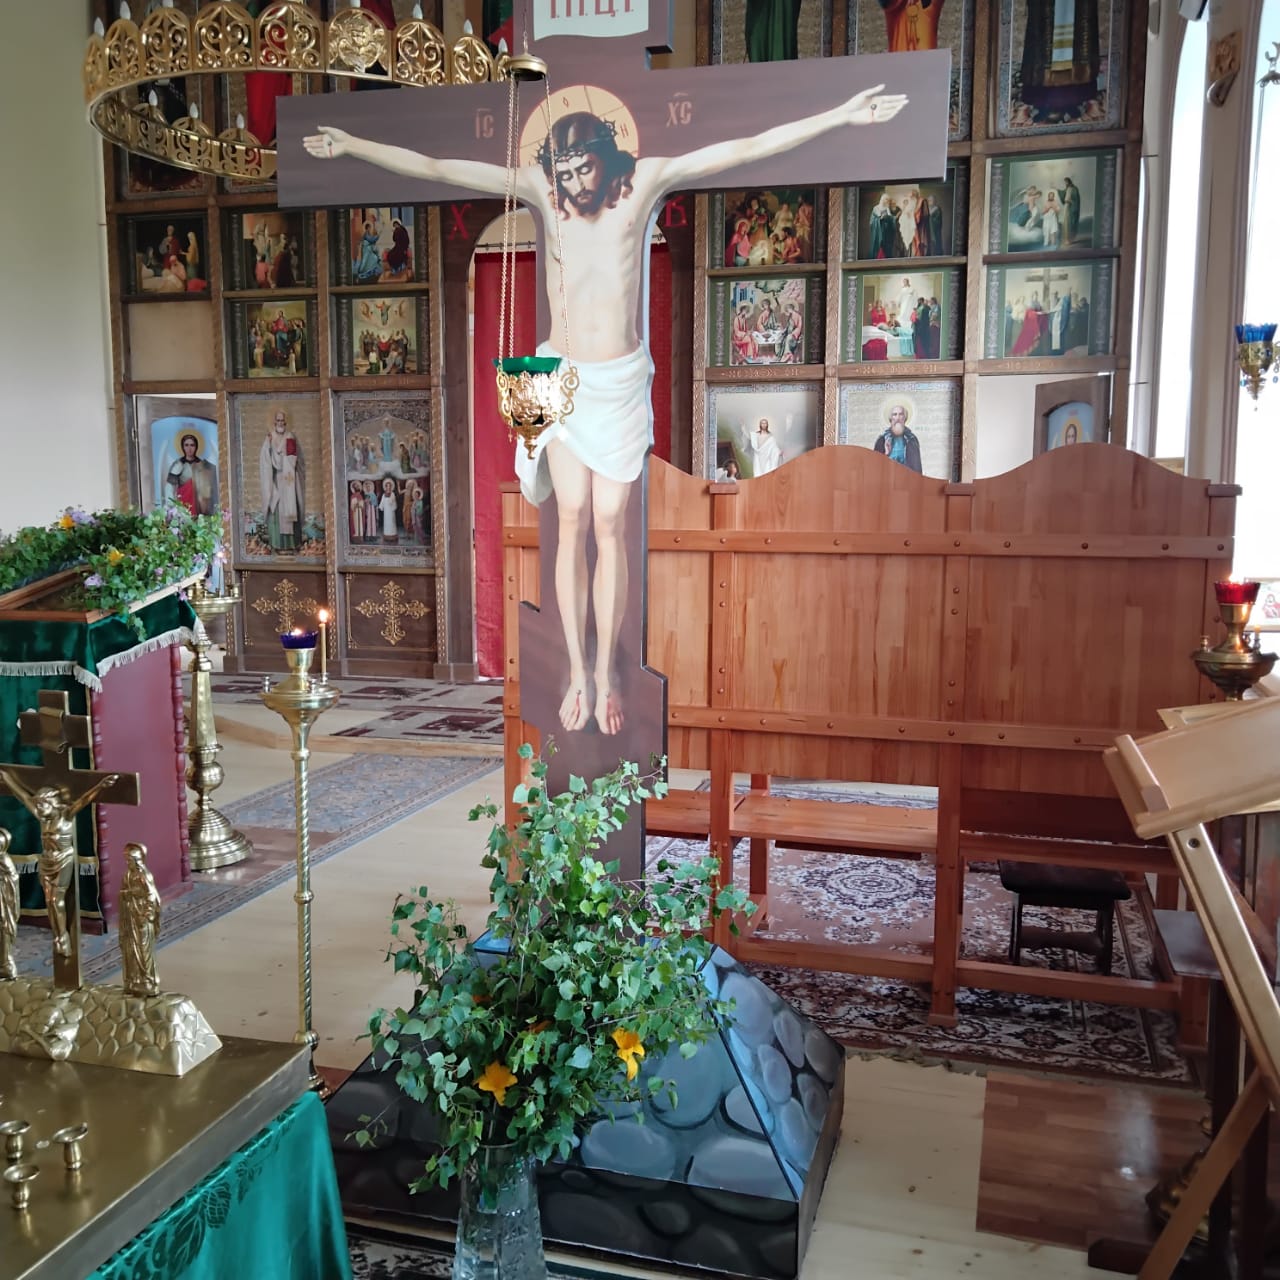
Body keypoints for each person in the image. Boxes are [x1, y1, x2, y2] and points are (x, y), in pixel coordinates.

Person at [305, 80, 907, 735]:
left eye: (582, 170)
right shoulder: (540, 190)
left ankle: (608, 670)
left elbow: (742, 148)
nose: (572, 184)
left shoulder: (644, 182)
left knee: (611, 522)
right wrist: (352, 144)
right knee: (570, 517)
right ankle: (577, 671)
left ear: (605, 155)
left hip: (618, 381)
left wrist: (842, 113)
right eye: (562, 174)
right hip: (560, 378)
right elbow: (440, 167)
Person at [0, 769, 120, 960]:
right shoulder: (42, 817)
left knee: (56, 900)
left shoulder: (65, 815)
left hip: (62, 859)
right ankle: (59, 934)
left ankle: (61, 936)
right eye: (38, 805)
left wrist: (100, 786)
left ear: (52, 803)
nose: (39, 809)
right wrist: (7, 779)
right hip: (46, 860)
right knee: (50, 901)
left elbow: (84, 800)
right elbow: (23, 796)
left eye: (42, 805)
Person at [259, 410, 304, 552]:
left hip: (289, 479)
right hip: (277, 479)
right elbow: (265, 460)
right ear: (274, 422)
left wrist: (287, 461)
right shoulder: (269, 438)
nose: (280, 423)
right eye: (278, 420)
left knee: (290, 507)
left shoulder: (290, 437)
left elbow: (294, 458)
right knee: (277, 508)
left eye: (282, 420)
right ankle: (277, 544)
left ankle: (292, 544)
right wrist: (269, 448)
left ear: (285, 422)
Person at [120, 843, 161, 998]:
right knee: (131, 948)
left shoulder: (143, 875)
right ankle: (135, 979)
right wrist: (126, 895)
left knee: (144, 951)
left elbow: (152, 896)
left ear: (137, 860)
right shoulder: (127, 875)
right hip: (131, 915)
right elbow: (124, 892)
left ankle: (148, 979)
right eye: (126, 860)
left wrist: (147, 915)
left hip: (141, 917)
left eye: (129, 860)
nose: (127, 863)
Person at [166, 431, 218, 517]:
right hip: (184, 504)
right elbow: (170, 487)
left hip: (200, 505)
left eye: (192, 445)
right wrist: (171, 505)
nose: (189, 448)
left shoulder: (203, 465)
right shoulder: (178, 465)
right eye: (186, 445)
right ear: (183, 447)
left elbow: (210, 488)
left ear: (196, 447)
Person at [873, 401, 923, 473]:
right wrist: (886, 454)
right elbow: (875, 467)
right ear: (890, 418)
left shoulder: (911, 439)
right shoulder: (882, 440)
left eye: (901, 414)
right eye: (894, 414)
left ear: (905, 418)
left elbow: (917, 468)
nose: (898, 418)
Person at [0, 830, 17, 981]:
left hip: (3, 904)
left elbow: (11, 881)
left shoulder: (4, 862)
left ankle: (5, 964)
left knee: (4, 928)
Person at [354, 218, 382, 283]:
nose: (370, 229)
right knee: (370, 260)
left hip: (369, 250)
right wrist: (377, 236)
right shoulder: (366, 234)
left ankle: (371, 272)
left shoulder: (368, 233)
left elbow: (372, 240)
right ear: (367, 228)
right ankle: (363, 272)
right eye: (369, 228)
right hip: (366, 251)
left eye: (370, 228)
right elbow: (371, 240)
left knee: (374, 258)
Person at [1061, 176, 1081, 244]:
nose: (1065, 183)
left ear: (1069, 181)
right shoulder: (1067, 189)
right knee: (1065, 222)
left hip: (1071, 207)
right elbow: (1063, 195)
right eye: (1065, 182)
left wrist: (1070, 201)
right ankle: (1066, 239)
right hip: (1066, 206)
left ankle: (1070, 239)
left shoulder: (1074, 188)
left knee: (1070, 223)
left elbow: (1076, 199)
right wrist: (1056, 189)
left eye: (1066, 181)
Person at [379, 477, 399, 541]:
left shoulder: (392, 494)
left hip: (391, 511)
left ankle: (393, 534)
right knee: (386, 523)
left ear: (391, 486)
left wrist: (391, 501)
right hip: (386, 511)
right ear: (385, 487)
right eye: (387, 486)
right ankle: (387, 534)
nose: (388, 487)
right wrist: (381, 507)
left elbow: (393, 501)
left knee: (392, 522)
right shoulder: (384, 494)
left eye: (389, 486)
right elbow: (382, 502)